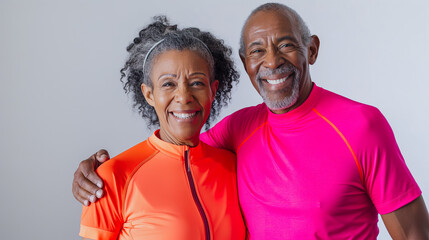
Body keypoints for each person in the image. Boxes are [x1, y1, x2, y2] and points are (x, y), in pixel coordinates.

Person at [73, 3, 429, 239]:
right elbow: (178, 151)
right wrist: (95, 171)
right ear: (245, 64)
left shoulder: (361, 125)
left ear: (312, 50)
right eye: (257, 51)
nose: (272, 62)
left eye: (286, 45)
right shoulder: (237, 130)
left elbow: (414, 234)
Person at [78, 16, 246, 240]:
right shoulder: (112, 177)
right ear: (149, 94)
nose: (184, 97)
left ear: (213, 90)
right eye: (169, 84)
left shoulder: (233, 166)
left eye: (197, 82)